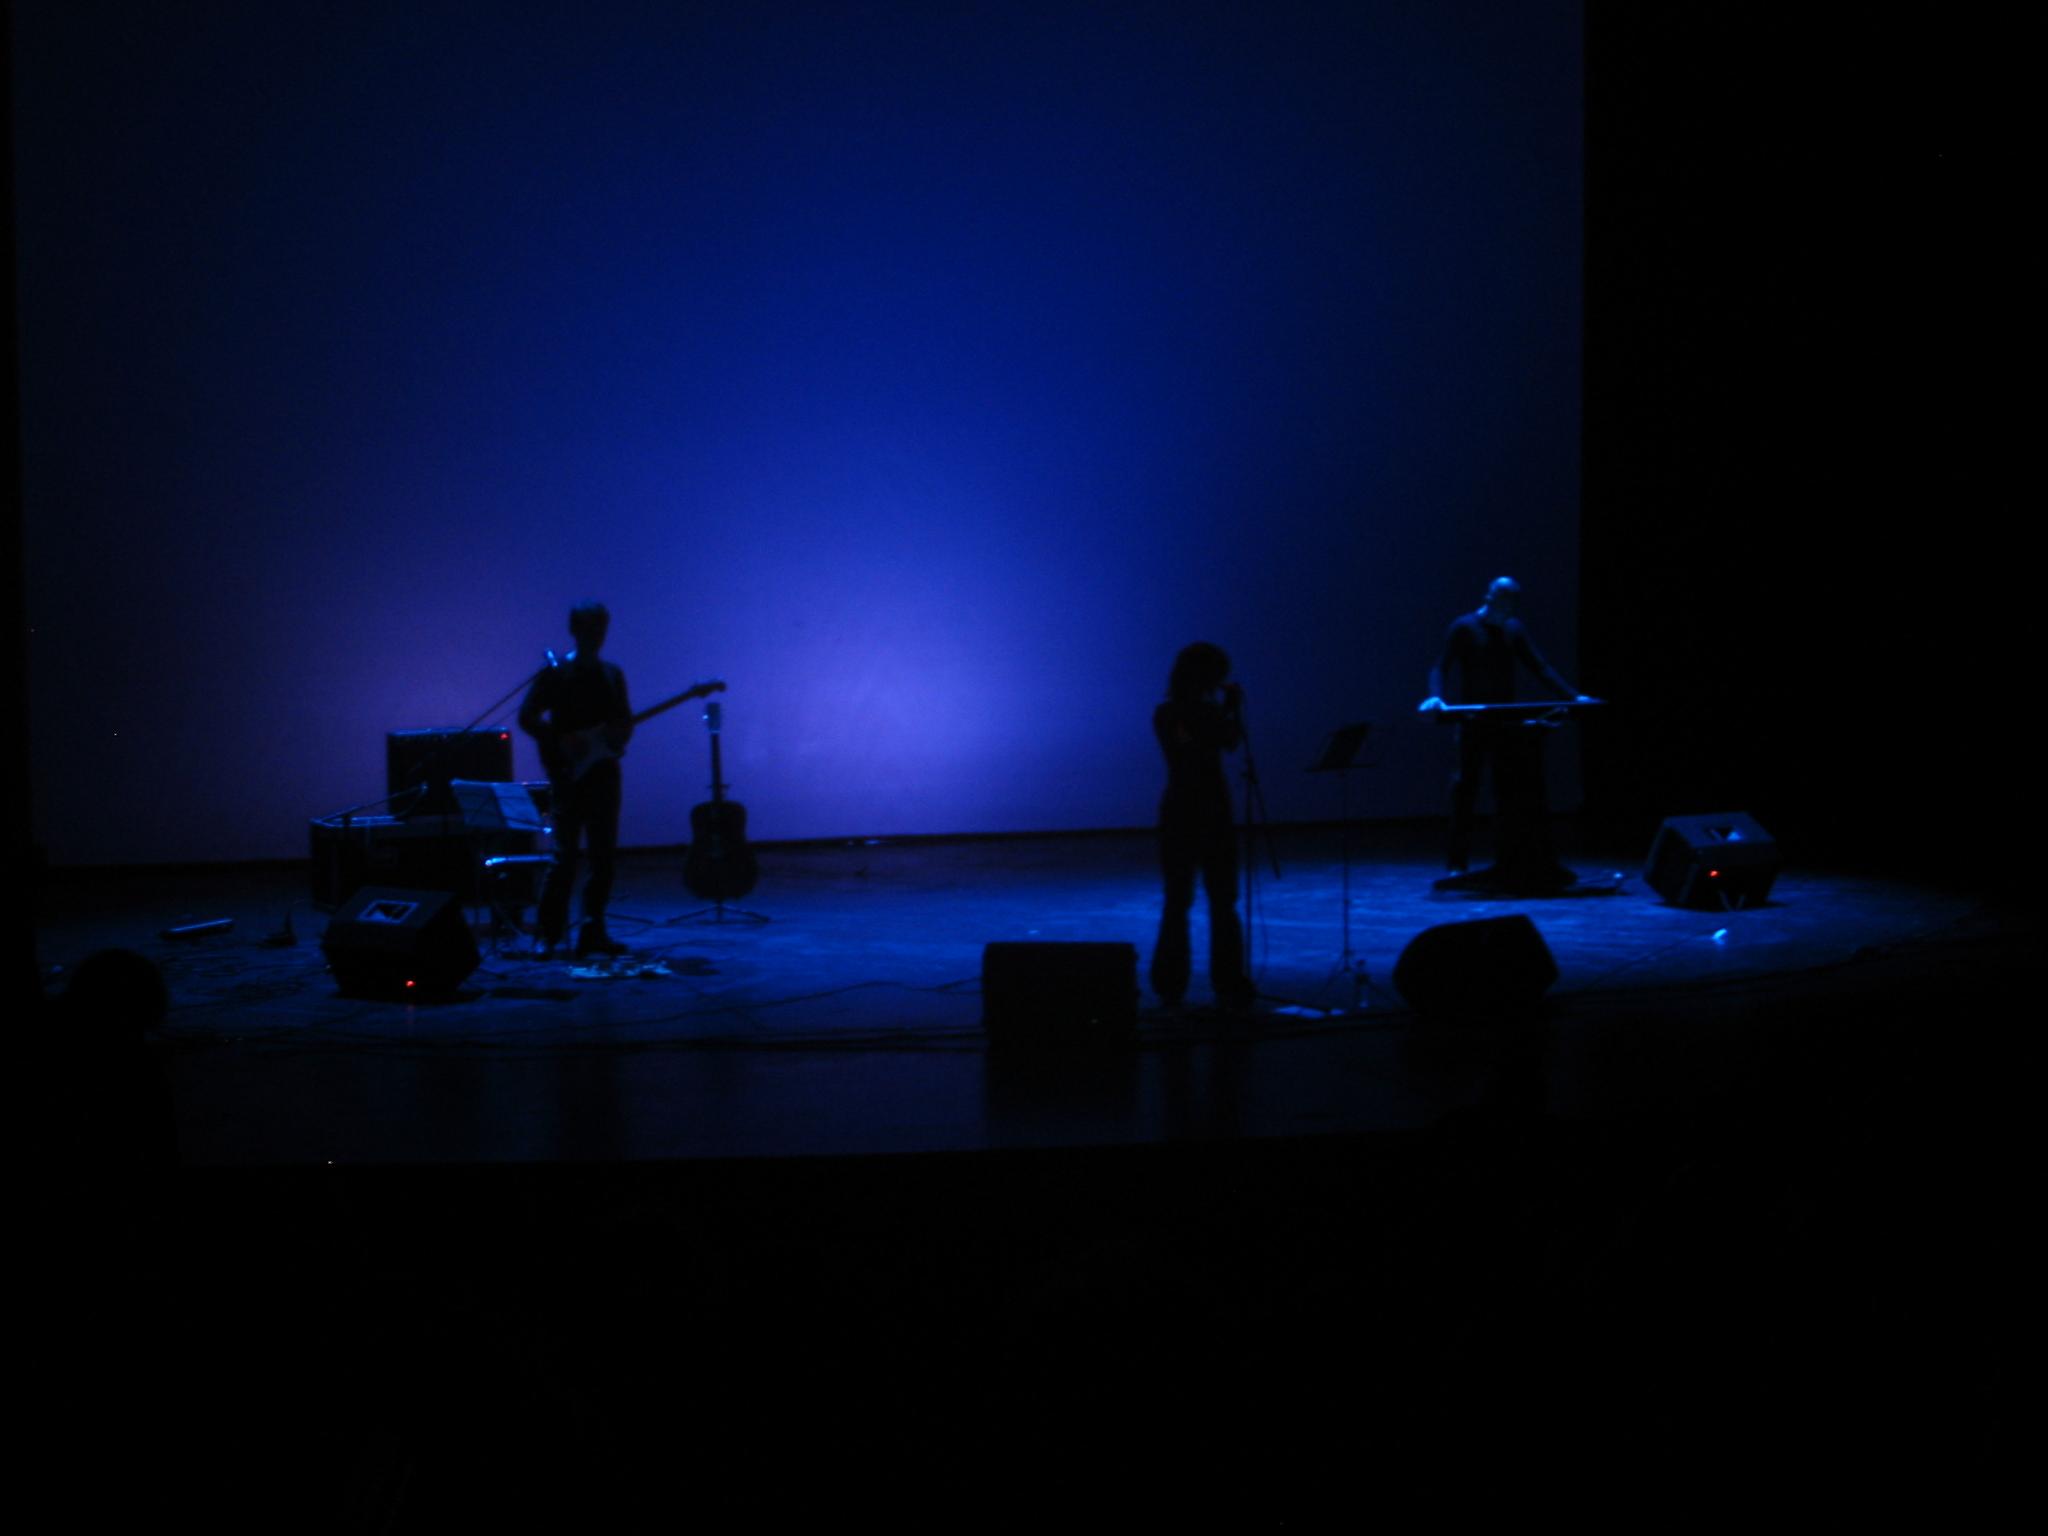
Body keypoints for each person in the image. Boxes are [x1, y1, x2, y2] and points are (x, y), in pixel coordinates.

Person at [1418, 576, 1596, 889]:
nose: (1505, 607)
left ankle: (1508, 859)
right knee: (1465, 789)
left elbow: (1539, 666)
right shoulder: (1464, 627)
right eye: (1501, 600)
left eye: (1510, 603)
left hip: (1505, 724)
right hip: (1472, 721)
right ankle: (1456, 864)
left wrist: (1573, 697)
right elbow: (1441, 666)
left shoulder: (1514, 629)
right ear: (1489, 597)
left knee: (1507, 789)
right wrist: (1436, 697)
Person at [519, 601, 633, 957]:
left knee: (603, 857)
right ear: (575, 630)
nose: (597, 635)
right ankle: (549, 935)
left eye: (601, 628)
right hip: (568, 776)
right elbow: (527, 717)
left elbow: (624, 723)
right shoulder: (555, 673)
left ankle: (592, 931)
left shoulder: (612, 675)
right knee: (564, 856)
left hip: (604, 774)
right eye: (590, 628)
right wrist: (561, 742)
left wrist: (617, 737)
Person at [1151, 642, 1255, 1009]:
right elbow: (1203, 746)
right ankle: (1223, 981)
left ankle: (1173, 984)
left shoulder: (1171, 712)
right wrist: (1228, 710)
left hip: (1187, 810)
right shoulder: (1172, 714)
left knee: (1187, 900)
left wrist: (1225, 712)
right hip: (1200, 809)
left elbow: (1224, 743)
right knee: (1207, 900)